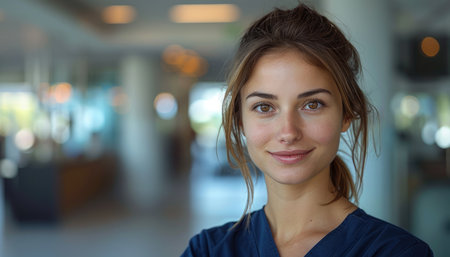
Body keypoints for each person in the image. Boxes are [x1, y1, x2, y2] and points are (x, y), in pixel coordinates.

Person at [181, 3, 433, 257]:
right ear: (239, 121)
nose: (288, 132)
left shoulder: (395, 252)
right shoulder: (208, 250)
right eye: (264, 107)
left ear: (346, 114)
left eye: (312, 105)